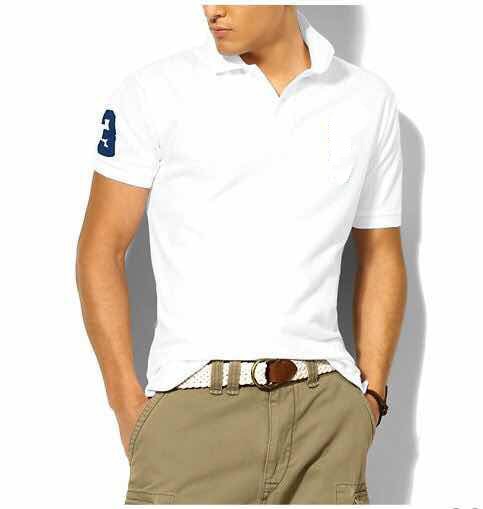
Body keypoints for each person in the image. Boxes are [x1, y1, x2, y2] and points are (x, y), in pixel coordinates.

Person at [76, 5, 407, 504]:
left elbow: (381, 251)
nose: (213, 8)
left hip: (325, 418)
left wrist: (372, 397)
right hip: (192, 416)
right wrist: (127, 407)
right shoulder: (154, 91)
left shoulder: (366, 99)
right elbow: (101, 248)